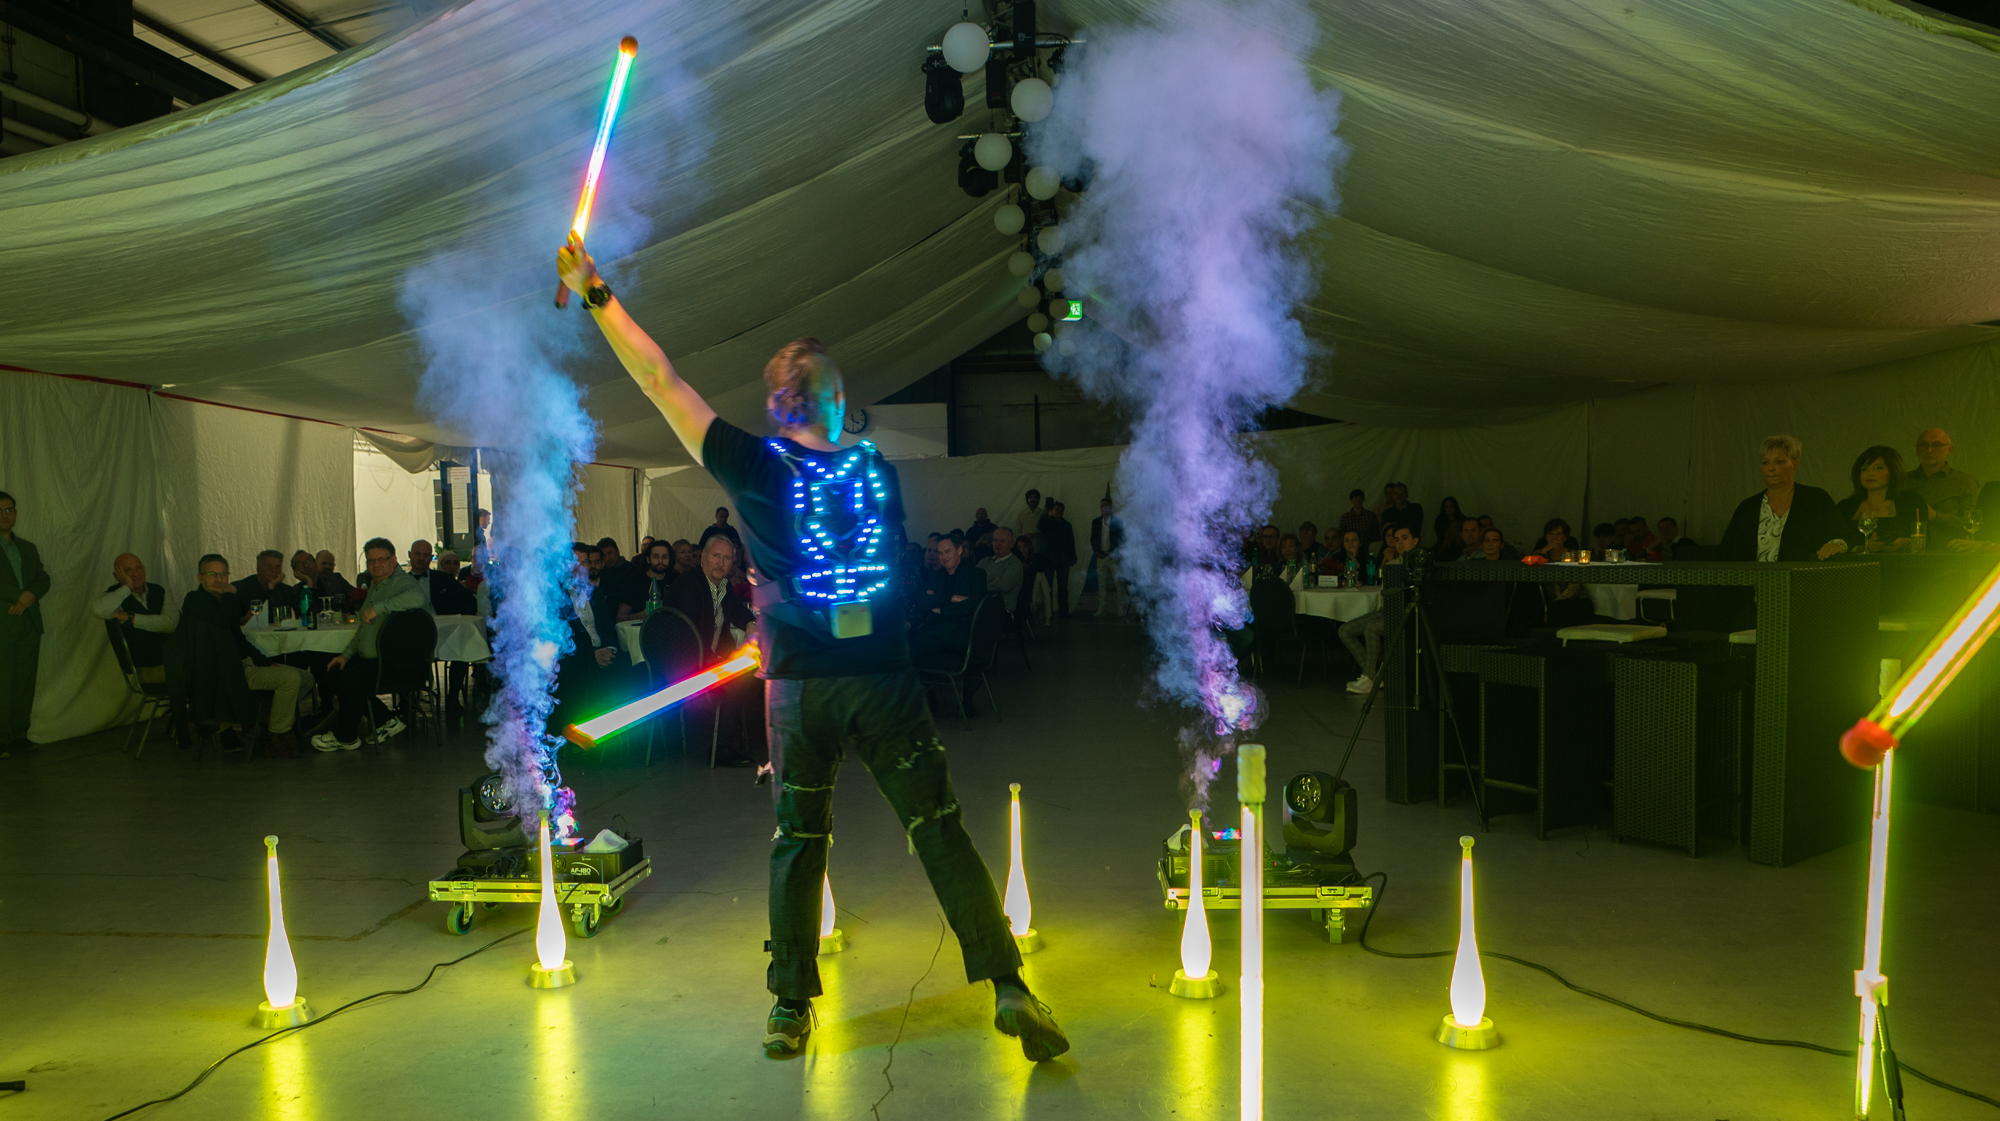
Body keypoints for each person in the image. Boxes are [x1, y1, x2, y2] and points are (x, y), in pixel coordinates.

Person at [560, 235, 1065, 1062]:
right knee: (938, 828)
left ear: (777, 405)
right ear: (833, 401)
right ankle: (1008, 983)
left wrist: (596, 292)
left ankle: (790, 1006)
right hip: (887, 679)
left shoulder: (754, 464)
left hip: (800, 685)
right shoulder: (875, 472)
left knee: (799, 839)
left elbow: (659, 380)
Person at [177, 554, 313, 757]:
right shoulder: (195, 601)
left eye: (224, 574)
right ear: (199, 577)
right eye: (212, 574)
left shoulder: (221, 601)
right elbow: (223, 621)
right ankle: (277, 734)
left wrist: (265, 662)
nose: (220, 579)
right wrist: (230, 595)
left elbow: (239, 639)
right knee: (290, 678)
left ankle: (263, 723)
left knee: (306, 678)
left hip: (243, 664)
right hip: (227, 672)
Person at [663, 535, 765, 769]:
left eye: (727, 558)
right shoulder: (689, 586)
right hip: (684, 667)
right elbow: (685, 638)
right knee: (741, 674)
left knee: (749, 667)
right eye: (716, 556)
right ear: (703, 557)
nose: (721, 563)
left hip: (704, 662)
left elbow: (739, 612)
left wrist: (751, 625)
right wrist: (718, 661)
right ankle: (721, 746)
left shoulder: (722, 587)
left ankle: (726, 730)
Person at [311, 539, 422, 751]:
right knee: (332, 671)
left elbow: (417, 597)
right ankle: (385, 720)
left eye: (381, 559)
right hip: (375, 659)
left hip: (396, 663)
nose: (376, 564)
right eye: (371, 560)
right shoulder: (376, 585)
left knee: (350, 680)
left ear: (394, 560)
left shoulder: (401, 582)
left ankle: (345, 737)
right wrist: (346, 655)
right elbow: (364, 631)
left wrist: (379, 608)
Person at [1718, 435, 1849, 562]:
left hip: (1803, 576)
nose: (1770, 468)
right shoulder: (1747, 508)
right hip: (1753, 577)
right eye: (1765, 462)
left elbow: (1841, 535)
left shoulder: (1816, 499)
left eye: (1779, 461)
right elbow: (1726, 552)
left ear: (1794, 465)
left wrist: (1837, 545)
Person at [1340, 524, 1415, 693]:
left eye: (1404, 538)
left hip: (1408, 613)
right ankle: (1373, 675)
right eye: (1397, 540)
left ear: (1415, 540)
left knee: (1371, 627)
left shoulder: (1422, 564)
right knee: (1345, 630)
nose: (1400, 543)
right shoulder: (1392, 565)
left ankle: (1368, 677)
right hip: (1387, 610)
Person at [0, 491, 48, 749]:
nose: (4, 515)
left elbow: (43, 579)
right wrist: (18, 595)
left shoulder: (27, 548)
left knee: (24, 682)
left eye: (9, 510)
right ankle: (2, 738)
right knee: (3, 682)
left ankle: (19, 736)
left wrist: (28, 597)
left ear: (16, 513)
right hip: (3, 623)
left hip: (29, 623)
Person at [91, 552, 179, 682]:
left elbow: (170, 624)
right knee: (200, 675)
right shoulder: (113, 597)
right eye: (128, 570)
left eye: (138, 568)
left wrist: (130, 617)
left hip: (173, 660)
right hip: (147, 668)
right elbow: (97, 610)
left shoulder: (160, 590)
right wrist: (127, 587)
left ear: (144, 569)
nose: (136, 573)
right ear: (116, 576)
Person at [912, 533, 988, 670]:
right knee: (912, 645)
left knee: (916, 647)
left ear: (959, 550)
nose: (943, 557)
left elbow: (974, 605)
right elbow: (921, 601)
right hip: (935, 627)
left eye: (947, 551)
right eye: (940, 553)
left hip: (962, 629)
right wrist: (951, 598)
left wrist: (941, 609)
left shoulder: (976, 575)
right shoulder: (935, 576)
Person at [1835, 445, 1930, 553]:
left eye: (1878, 468)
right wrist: (1864, 547)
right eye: (1864, 469)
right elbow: (1834, 541)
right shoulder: (1846, 506)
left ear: (1894, 471)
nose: (1869, 473)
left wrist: (1904, 543)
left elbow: (1926, 539)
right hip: (1855, 563)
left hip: (1900, 562)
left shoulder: (1910, 501)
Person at [1909, 428, 1980, 537]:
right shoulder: (1903, 480)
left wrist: (1936, 516)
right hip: (1907, 545)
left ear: (1949, 450)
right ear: (1917, 450)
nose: (1929, 450)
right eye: (1923, 445)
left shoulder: (1965, 482)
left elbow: (1974, 523)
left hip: (1948, 546)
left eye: (1936, 445)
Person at [408, 539, 478, 615]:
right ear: (409, 554)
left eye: (426, 555)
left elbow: (471, 603)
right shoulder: (401, 580)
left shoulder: (445, 579)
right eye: (417, 554)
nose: (421, 558)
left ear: (431, 557)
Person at [1038, 500, 1077, 619]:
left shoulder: (1067, 525)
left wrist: (1072, 556)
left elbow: (1071, 542)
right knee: (1048, 587)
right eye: (1056, 509)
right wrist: (1045, 513)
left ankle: (1063, 611)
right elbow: (1039, 526)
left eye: (1061, 510)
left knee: (1063, 587)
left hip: (1063, 558)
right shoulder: (1047, 522)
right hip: (1049, 558)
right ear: (1052, 510)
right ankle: (1047, 611)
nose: (1059, 511)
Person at [978, 527, 1026, 617]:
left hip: (1002, 612)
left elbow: (1003, 586)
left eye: (1002, 541)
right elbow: (973, 580)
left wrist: (981, 584)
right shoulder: (984, 561)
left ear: (1011, 544)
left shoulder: (1014, 563)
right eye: (995, 540)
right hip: (981, 608)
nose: (998, 544)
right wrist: (995, 579)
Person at [1091, 499, 1126, 618]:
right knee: (1101, 583)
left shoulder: (1117, 522)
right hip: (1101, 556)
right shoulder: (1096, 522)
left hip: (1113, 556)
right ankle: (1102, 608)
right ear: (1100, 508)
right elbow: (1093, 539)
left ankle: (1121, 608)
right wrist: (1096, 551)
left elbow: (1121, 539)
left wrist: (1115, 552)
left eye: (1106, 505)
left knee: (1118, 583)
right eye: (1102, 505)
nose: (1104, 507)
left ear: (1110, 507)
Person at [233, 549, 289, 620]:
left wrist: (271, 587)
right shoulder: (239, 588)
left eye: (277, 566)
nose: (273, 570)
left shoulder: (286, 591)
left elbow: (278, 618)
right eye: (269, 566)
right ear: (258, 568)